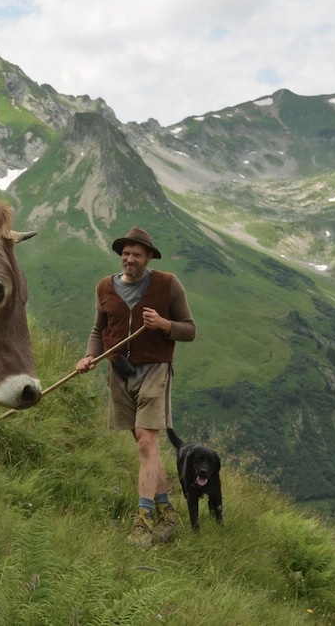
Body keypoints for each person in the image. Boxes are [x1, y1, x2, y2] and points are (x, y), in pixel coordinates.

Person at [76, 226, 197, 548]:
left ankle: (142, 523)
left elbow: (189, 330)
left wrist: (164, 325)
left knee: (146, 443)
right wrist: (90, 357)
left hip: (155, 370)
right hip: (118, 371)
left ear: (148, 258)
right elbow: (98, 330)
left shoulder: (167, 285)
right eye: (125, 254)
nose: (129, 259)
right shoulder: (105, 287)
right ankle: (167, 514)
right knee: (147, 449)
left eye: (136, 255)